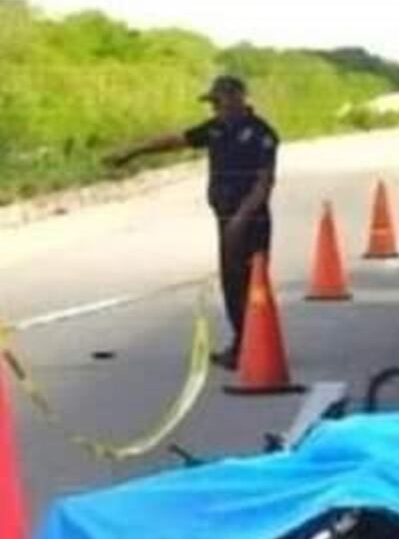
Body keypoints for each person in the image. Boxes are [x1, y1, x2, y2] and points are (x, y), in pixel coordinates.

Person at [105, 75, 279, 370]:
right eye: (212, 103)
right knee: (232, 283)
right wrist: (131, 152)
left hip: (251, 218)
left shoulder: (261, 133)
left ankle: (254, 347)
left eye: (218, 101)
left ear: (237, 97)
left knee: (249, 282)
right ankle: (244, 343)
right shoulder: (216, 129)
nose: (214, 108)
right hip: (226, 215)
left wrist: (240, 219)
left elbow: (264, 183)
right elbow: (175, 140)